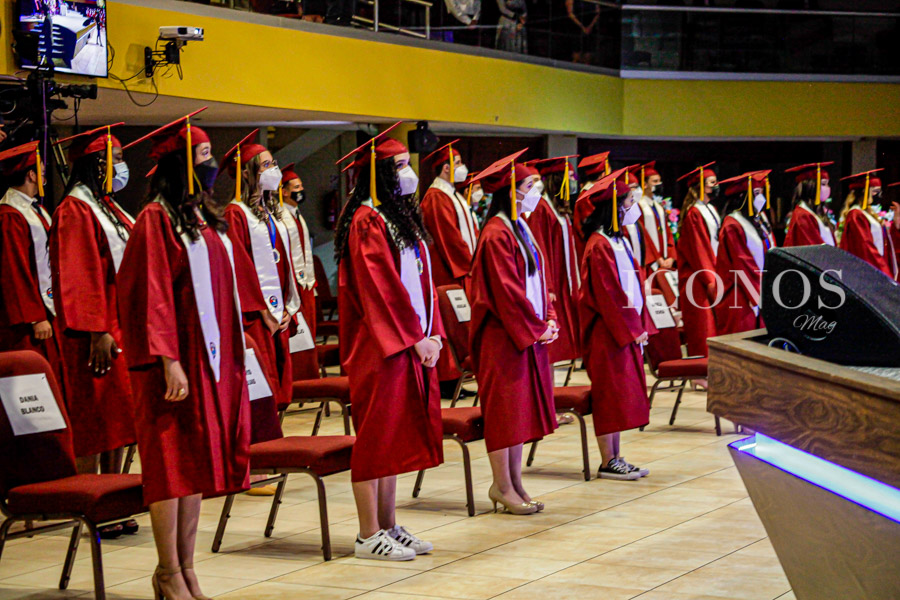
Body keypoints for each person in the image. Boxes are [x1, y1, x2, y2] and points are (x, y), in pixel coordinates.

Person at [118, 111, 251, 600]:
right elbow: (150, 292)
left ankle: (187, 567)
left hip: (208, 359)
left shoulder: (201, 218)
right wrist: (167, 357)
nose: (212, 163)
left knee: (194, 464)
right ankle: (167, 570)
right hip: (172, 365)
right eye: (202, 156)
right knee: (172, 465)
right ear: (179, 164)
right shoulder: (155, 219)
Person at [335, 125, 444, 561]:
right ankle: (366, 534)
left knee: (395, 435)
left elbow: (419, 281)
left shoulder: (396, 218)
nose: (407, 172)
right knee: (377, 437)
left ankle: (388, 523)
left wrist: (431, 332)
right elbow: (380, 288)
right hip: (380, 346)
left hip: (409, 341)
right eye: (398, 166)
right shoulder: (366, 219)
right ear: (379, 173)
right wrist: (414, 337)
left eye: (407, 164)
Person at [50, 124, 137, 537]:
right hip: (92, 333)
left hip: (117, 326)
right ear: (97, 164)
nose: (122, 168)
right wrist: (96, 329)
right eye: (116, 160)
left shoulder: (109, 207)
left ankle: (114, 498)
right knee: (94, 419)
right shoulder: (75, 209)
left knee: (119, 418)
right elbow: (78, 274)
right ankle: (86, 505)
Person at [469, 151, 558, 514]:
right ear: (510, 191)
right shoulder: (495, 234)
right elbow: (507, 292)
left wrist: (549, 317)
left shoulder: (521, 227)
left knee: (519, 412)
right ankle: (501, 485)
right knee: (505, 412)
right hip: (502, 338)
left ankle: (516, 482)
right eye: (527, 186)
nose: (535, 190)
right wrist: (536, 327)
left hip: (524, 334)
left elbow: (540, 281)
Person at [575, 167, 654, 479]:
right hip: (607, 333)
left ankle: (617, 455)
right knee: (609, 395)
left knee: (620, 394)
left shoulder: (617, 239)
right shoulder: (598, 245)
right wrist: (632, 329)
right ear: (614, 207)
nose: (632, 207)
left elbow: (630, 287)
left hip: (621, 331)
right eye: (628, 201)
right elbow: (608, 294)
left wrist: (639, 325)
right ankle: (608, 460)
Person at [222, 131, 301, 413]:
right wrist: (265, 312)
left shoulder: (272, 214)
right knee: (263, 394)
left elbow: (284, 263)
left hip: (277, 314)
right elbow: (239, 272)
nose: (274, 171)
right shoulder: (235, 214)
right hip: (255, 316)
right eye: (266, 165)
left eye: (273, 164)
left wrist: (288, 308)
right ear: (246, 173)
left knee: (279, 390)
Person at [0, 141, 62, 386]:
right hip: (24, 325)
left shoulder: (34, 210)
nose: (44, 177)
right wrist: (35, 317)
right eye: (42, 172)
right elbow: (13, 271)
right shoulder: (10, 216)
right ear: (31, 174)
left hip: (43, 310)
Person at [420, 141, 478, 393]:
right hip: (448, 271)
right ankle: (447, 381)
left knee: (460, 324)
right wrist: (470, 265)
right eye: (457, 164)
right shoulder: (436, 197)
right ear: (445, 168)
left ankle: (457, 378)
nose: (462, 168)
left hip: (461, 269)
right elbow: (449, 237)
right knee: (448, 323)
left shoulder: (453, 195)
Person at [524, 156, 581, 368]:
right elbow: (540, 250)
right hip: (554, 282)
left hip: (565, 279)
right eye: (570, 178)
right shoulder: (542, 209)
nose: (574, 181)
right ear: (558, 181)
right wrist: (547, 286)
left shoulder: (560, 209)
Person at [713, 171, 776, 335]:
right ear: (743, 196)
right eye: (756, 193)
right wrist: (764, 292)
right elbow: (743, 264)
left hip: (759, 290)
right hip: (740, 296)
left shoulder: (760, 220)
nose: (761, 197)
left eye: (762, 192)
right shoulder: (732, 224)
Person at [279, 163, 319, 381]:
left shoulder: (297, 215)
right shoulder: (280, 216)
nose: (300, 190)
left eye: (301, 185)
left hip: (306, 283)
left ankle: (308, 376)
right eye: (296, 186)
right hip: (293, 283)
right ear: (283, 191)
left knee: (309, 333)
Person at [675, 163, 720, 357]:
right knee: (703, 326)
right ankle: (699, 372)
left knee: (711, 325)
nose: (716, 186)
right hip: (698, 278)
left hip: (710, 273)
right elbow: (699, 250)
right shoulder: (694, 213)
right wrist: (711, 280)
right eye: (712, 182)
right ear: (700, 186)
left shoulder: (710, 209)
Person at [838, 170, 897, 279]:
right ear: (864, 192)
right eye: (875, 191)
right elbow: (865, 247)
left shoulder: (868, 214)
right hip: (868, 271)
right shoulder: (856, 214)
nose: (878, 196)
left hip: (876, 266)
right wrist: (884, 272)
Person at [636, 161, 678, 306]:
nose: (659, 184)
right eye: (655, 181)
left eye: (660, 181)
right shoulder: (639, 206)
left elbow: (668, 232)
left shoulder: (659, 207)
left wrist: (671, 256)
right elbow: (644, 236)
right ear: (645, 184)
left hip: (664, 262)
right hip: (651, 263)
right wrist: (657, 258)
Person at [783, 162, 836, 247]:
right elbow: (814, 250)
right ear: (810, 186)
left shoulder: (815, 213)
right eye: (823, 184)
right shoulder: (802, 216)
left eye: (827, 184)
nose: (828, 188)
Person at [573, 151, 612, 260]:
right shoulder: (587, 196)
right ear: (604, 174)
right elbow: (591, 224)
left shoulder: (591, 193)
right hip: (593, 247)